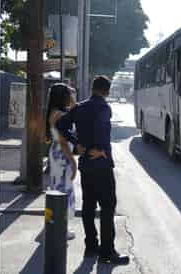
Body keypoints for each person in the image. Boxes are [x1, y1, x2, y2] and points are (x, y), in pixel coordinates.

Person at [56, 76, 129, 265]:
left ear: (92, 88)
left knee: (88, 207)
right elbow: (101, 131)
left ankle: (91, 247)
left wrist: (77, 144)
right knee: (107, 207)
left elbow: (60, 125)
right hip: (102, 164)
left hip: (86, 166)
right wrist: (98, 150)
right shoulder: (104, 108)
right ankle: (107, 252)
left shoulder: (79, 107)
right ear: (107, 90)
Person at [45, 83, 77, 240]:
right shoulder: (59, 115)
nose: (71, 97)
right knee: (63, 190)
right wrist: (73, 161)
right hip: (62, 154)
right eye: (68, 94)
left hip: (56, 153)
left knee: (57, 187)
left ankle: (55, 224)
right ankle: (60, 228)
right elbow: (63, 140)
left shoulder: (54, 112)